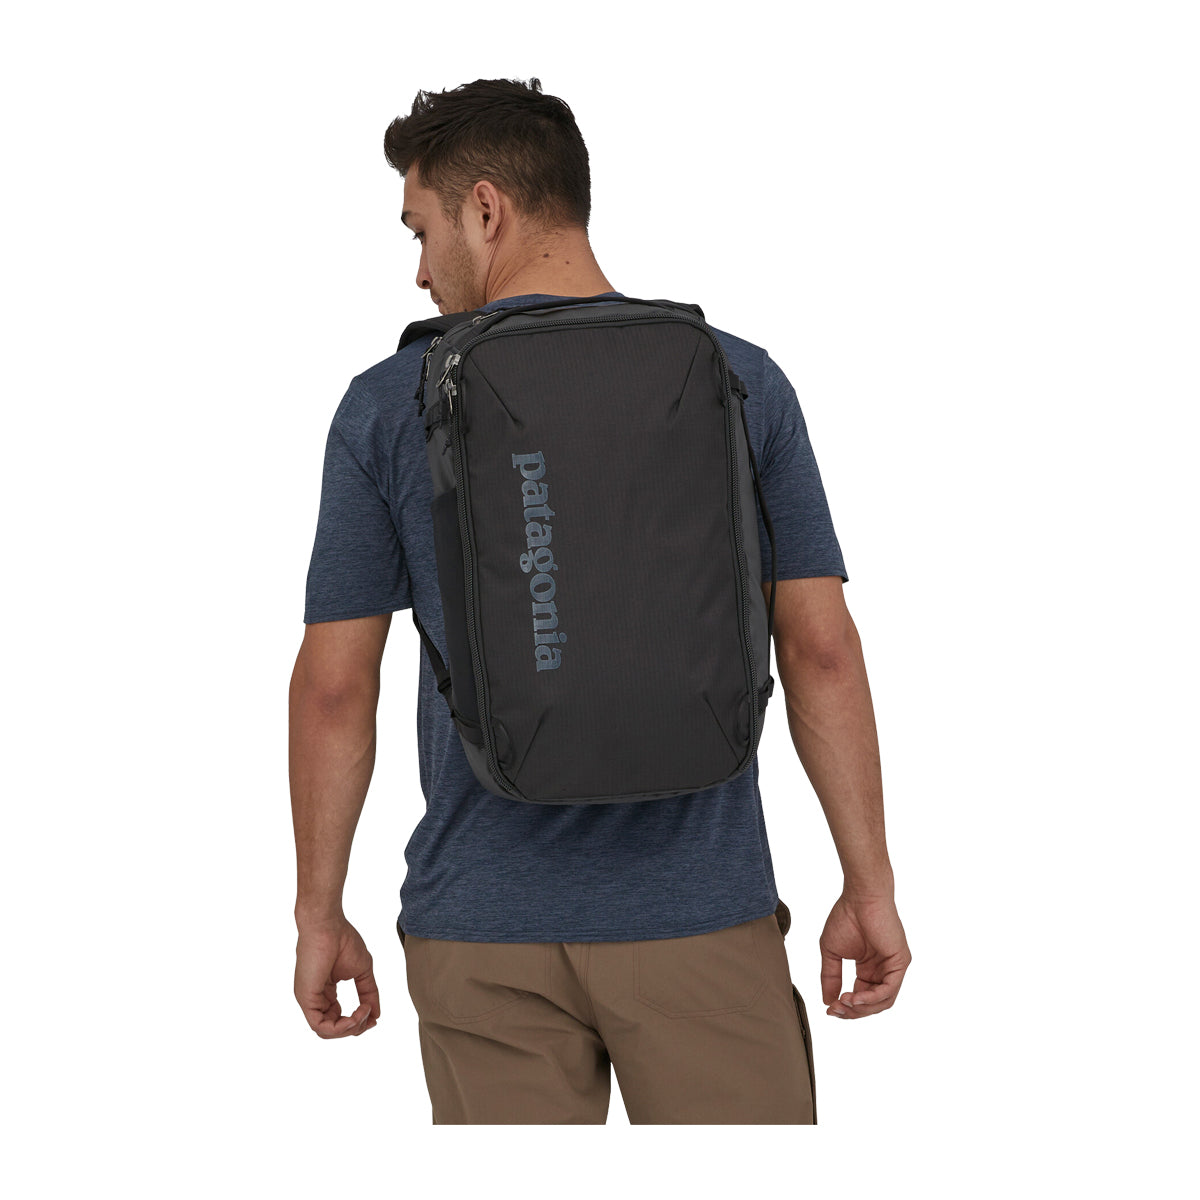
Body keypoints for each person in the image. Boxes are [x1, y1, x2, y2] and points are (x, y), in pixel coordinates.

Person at [289, 77, 911, 1124]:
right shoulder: (739, 379)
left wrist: (319, 913)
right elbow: (821, 651)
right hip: (702, 916)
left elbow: (334, 689)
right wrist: (869, 884)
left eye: (422, 229)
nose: (420, 269)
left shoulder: (389, 405)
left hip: (480, 930)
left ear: (486, 209)